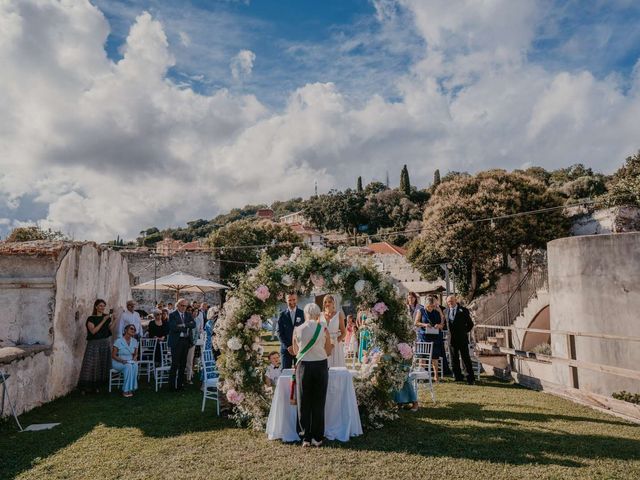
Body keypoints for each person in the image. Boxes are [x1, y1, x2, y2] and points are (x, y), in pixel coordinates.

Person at [292, 303, 333, 447]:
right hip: (320, 365)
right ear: (317, 314)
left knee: (304, 402)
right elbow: (328, 351)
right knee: (318, 402)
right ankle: (317, 437)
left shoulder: (297, 329)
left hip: (304, 366)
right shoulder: (324, 329)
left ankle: (305, 438)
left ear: (305, 314)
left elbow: (296, 351)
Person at [78, 299, 116, 393]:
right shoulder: (91, 318)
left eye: (103, 306)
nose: (102, 308)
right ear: (96, 307)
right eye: (100, 306)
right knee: (91, 365)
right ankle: (86, 387)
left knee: (102, 365)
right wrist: (103, 320)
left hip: (105, 343)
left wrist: (115, 319)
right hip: (94, 344)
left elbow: (110, 329)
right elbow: (93, 331)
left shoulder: (107, 317)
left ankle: (98, 387)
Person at [445, 295, 475, 385]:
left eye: (452, 301)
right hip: (451, 339)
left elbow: (470, 324)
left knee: (465, 358)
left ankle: (470, 377)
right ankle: (458, 377)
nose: (450, 303)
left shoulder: (463, 310)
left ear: (456, 300)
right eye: (448, 302)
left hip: (462, 338)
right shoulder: (446, 311)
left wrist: (463, 332)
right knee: (454, 359)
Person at [168, 298, 196, 391]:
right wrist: (186, 326)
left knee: (183, 364)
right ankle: (171, 386)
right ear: (178, 305)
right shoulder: (172, 315)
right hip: (176, 342)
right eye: (182, 305)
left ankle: (180, 385)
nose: (184, 307)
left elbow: (193, 324)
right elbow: (173, 327)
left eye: (185, 306)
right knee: (175, 364)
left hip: (186, 341)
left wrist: (182, 325)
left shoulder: (188, 314)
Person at [415, 297, 444, 382]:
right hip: (424, 337)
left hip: (435, 337)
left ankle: (436, 376)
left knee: (435, 357)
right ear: (426, 305)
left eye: (432, 306)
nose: (431, 308)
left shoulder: (437, 311)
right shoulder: (421, 311)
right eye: (429, 306)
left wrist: (439, 326)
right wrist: (425, 325)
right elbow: (416, 323)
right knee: (422, 356)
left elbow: (442, 324)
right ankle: (421, 377)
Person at [277, 292, 305, 369]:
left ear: (297, 299)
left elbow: (305, 331)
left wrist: (298, 345)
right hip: (286, 350)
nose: (292, 302)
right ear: (286, 300)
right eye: (289, 300)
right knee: (285, 372)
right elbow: (279, 332)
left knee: (300, 372)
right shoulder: (282, 315)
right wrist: (288, 346)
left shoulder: (302, 313)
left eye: (294, 299)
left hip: (299, 349)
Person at [112, 324, 139, 397]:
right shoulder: (118, 341)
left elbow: (136, 354)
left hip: (130, 361)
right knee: (128, 366)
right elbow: (113, 355)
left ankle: (131, 388)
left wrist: (134, 359)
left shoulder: (135, 341)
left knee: (135, 365)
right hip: (118, 361)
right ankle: (125, 390)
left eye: (134, 329)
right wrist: (122, 361)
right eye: (131, 328)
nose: (133, 330)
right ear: (125, 330)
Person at [320, 295, 346, 368]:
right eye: (325, 302)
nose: (327, 304)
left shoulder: (339, 315)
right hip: (323, 344)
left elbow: (344, 333)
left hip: (336, 345)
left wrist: (335, 343)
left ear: (333, 303)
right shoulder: (319, 315)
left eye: (329, 302)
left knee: (336, 367)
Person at [186, 303, 204, 384]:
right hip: (184, 342)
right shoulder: (186, 319)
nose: (195, 313)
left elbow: (197, 332)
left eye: (197, 312)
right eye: (193, 311)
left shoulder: (197, 320)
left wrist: (194, 341)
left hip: (193, 343)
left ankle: (189, 378)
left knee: (191, 360)